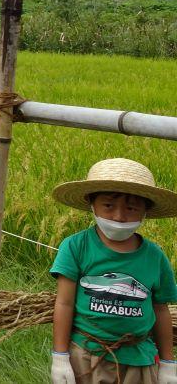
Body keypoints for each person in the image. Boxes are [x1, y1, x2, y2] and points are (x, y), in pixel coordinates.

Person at [50, 158, 177, 384]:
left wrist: (168, 363)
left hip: (139, 359)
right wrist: (60, 356)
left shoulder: (155, 256)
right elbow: (64, 303)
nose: (119, 216)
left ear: (145, 210)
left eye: (131, 208)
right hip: (86, 356)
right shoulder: (75, 247)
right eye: (108, 205)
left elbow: (161, 310)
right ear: (92, 203)